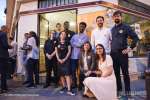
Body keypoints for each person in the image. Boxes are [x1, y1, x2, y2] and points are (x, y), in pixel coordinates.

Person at [110, 11, 139, 96]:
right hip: (113, 55)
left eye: (118, 16)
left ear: (121, 17)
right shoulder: (112, 29)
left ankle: (128, 93)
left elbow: (135, 38)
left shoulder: (126, 27)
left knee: (125, 74)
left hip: (122, 54)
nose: (116, 18)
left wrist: (129, 48)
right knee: (116, 74)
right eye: (115, 16)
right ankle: (119, 91)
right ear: (113, 18)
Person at [55, 31, 75, 96]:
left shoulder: (68, 42)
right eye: (62, 34)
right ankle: (64, 86)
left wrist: (65, 59)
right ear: (60, 35)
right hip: (59, 61)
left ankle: (69, 89)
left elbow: (69, 51)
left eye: (65, 34)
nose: (63, 35)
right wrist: (58, 59)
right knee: (61, 74)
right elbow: (56, 52)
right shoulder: (57, 42)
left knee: (67, 75)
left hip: (66, 61)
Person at [70, 22, 89, 88]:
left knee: (81, 71)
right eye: (80, 26)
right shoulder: (74, 36)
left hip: (81, 57)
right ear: (79, 27)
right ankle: (74, 84)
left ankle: (81, 84)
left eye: (83, 26)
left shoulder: (86, 37)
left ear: (84, 28)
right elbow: (71, 43)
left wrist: (76, 43)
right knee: (73, 71)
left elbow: (81, 44)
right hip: (73, 57)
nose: (81, 27)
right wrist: (78, 44)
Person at [0, 25, 11, 93]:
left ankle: (4, 87)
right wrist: (10, 46)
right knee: (3, 72)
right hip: (3, 56)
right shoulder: (3, 34)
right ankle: (3, 88)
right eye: (7, 29)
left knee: (2, 72)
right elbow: (5, 45)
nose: (8, 31)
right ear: (5, 29)